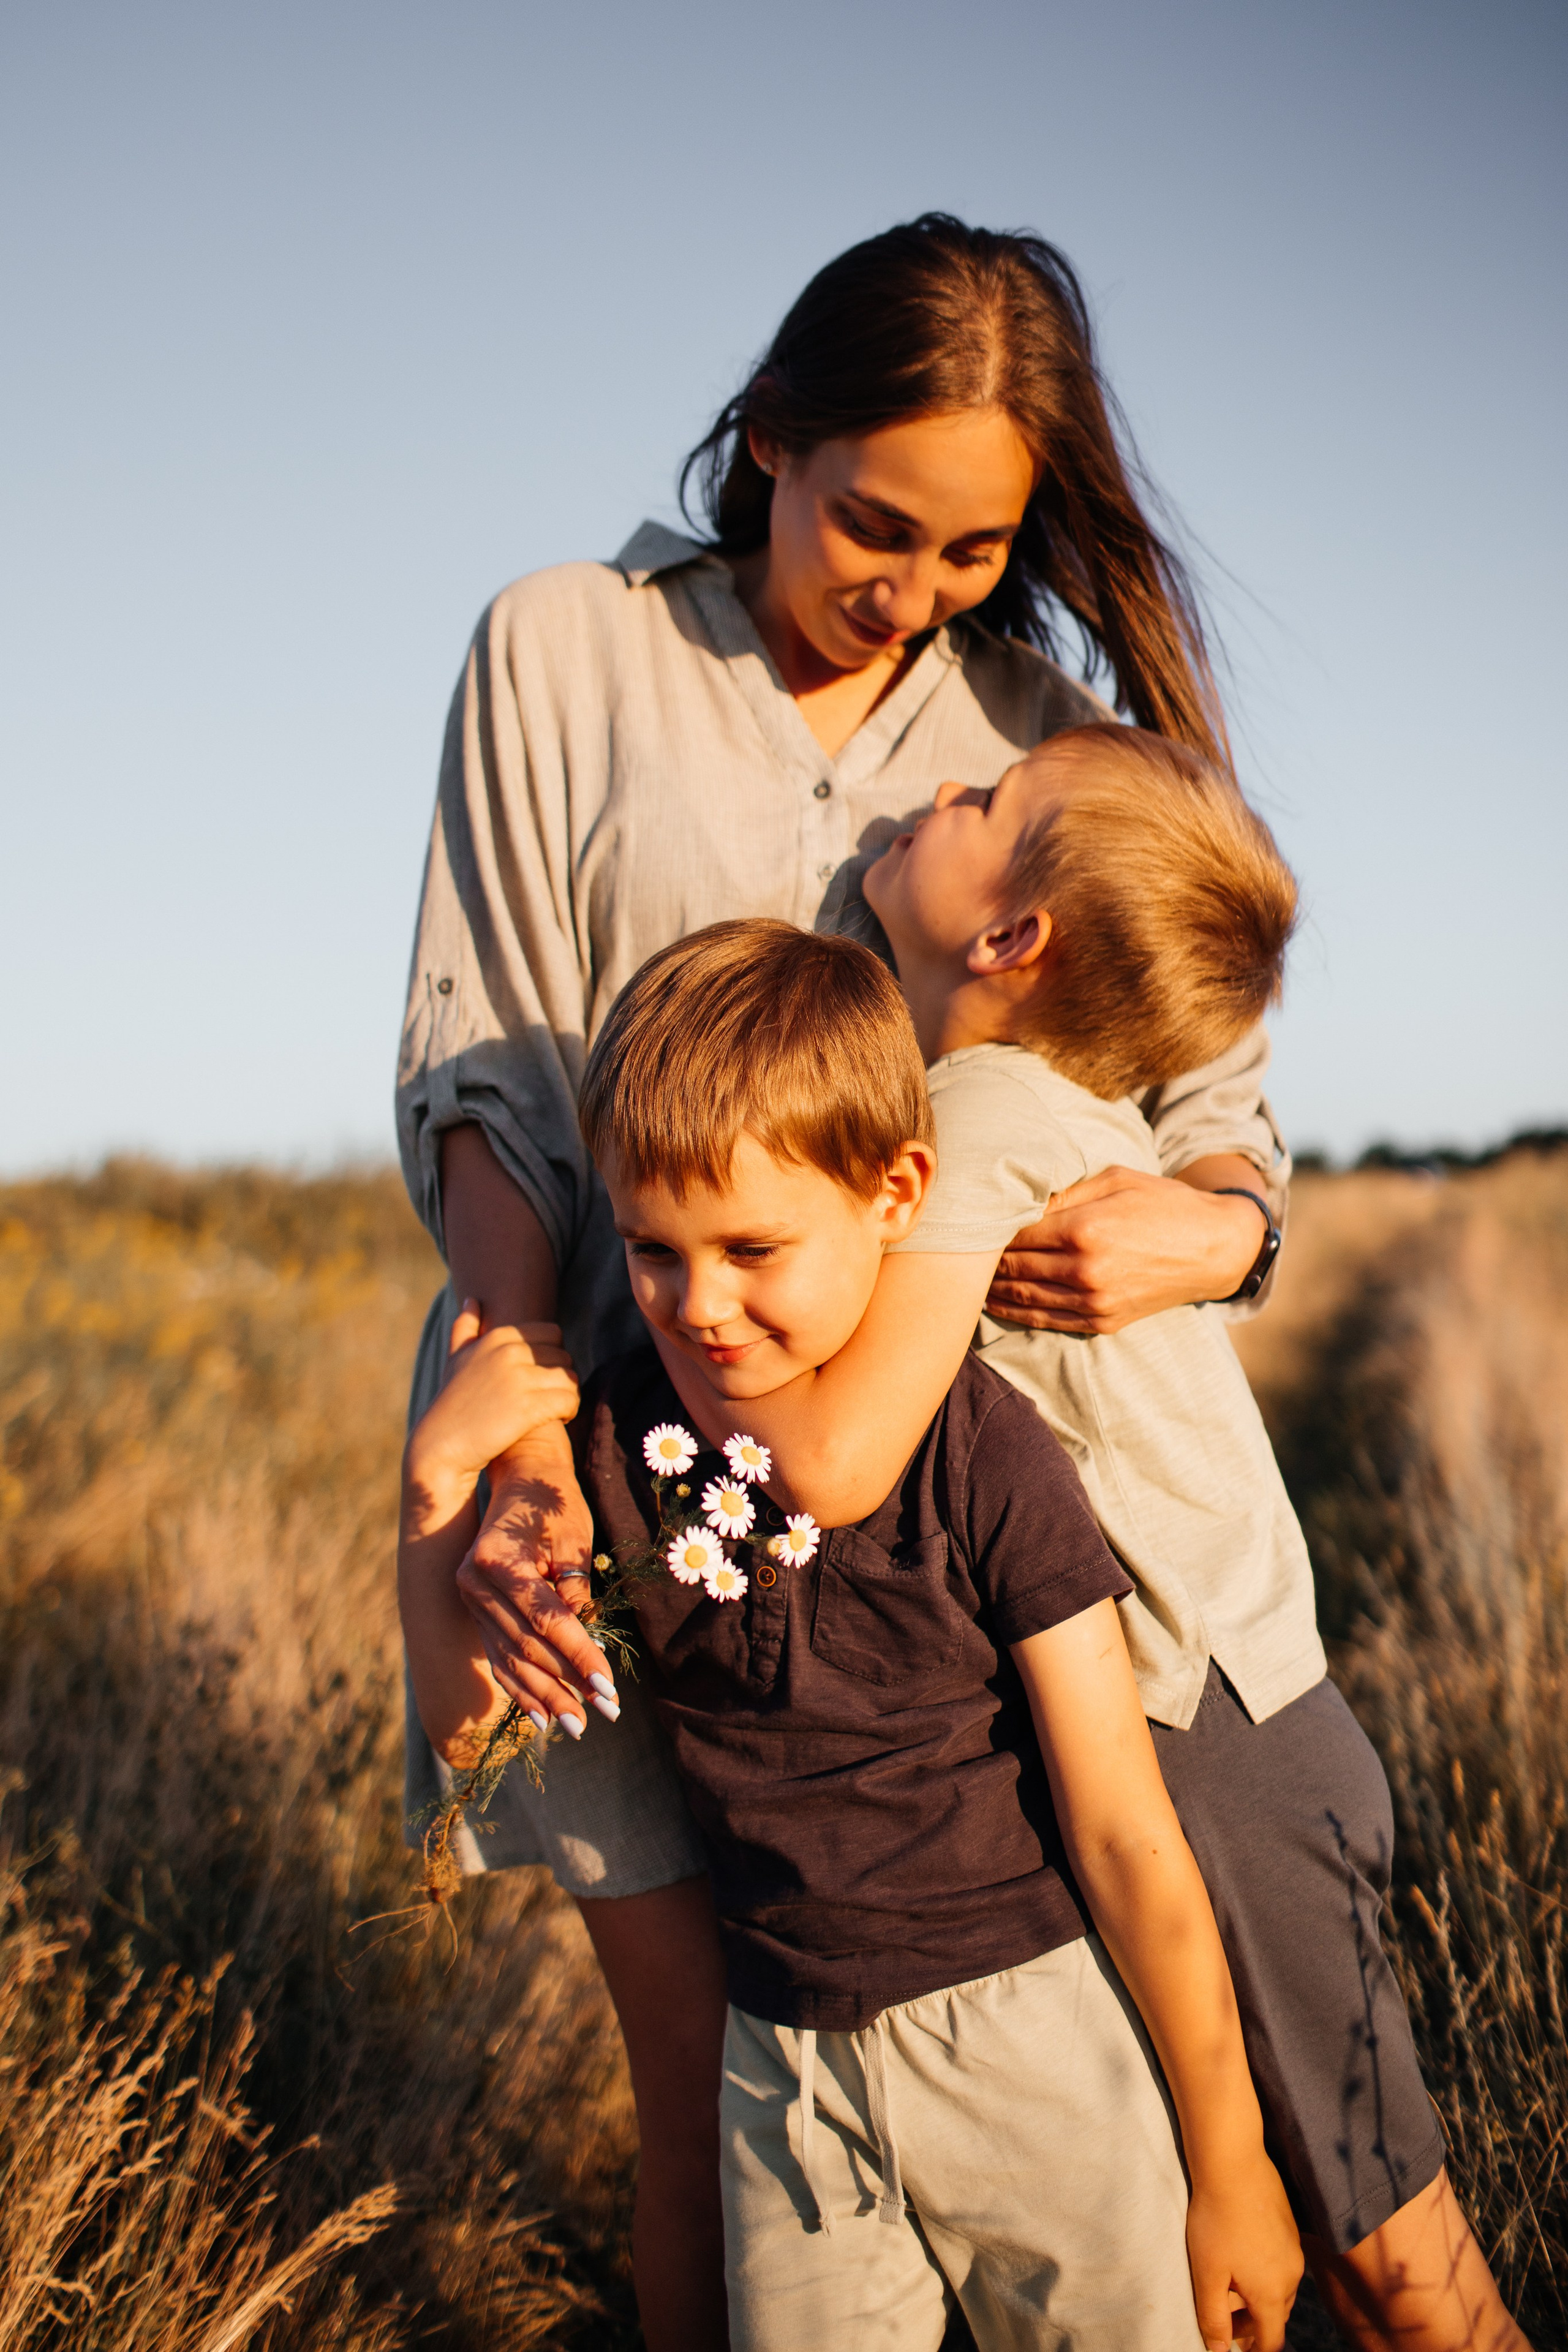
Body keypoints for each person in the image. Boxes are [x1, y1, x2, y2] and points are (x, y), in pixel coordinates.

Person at [397, 214, 1292, 2348]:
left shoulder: (1036, 740)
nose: (909, 592)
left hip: (937, 1538)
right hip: (616, 1466)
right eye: (873, 523)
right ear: (773, 437)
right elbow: (497, 1071)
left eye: (973, 550)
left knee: (1018, 2065)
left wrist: (1236, 1224)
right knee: (719, 2092)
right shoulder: (566, 648)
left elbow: (1216, 1083)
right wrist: (516, 1417)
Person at [668, 728, 1528, 2352]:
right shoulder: (1010, 1107)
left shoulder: (985, 1116)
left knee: (1395, 2266)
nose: (938, 794)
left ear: (1010, 941)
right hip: (1223, 1724)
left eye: (982, 806)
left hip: (1220, 1743)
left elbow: (841, 1459)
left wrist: (662, 1356)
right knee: (1325, 2251)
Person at [400, 921, 1304, 2352]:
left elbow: (1127, 1833)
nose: (698, 1308)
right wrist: (437, 1495)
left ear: (897, 1195)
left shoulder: (979, 1448)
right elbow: (478, 1742)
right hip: (784, 2083)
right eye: (650, 1250)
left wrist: (1230, 2158)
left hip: (1032, 2050)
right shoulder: (630, 1456)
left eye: (752, 1247)